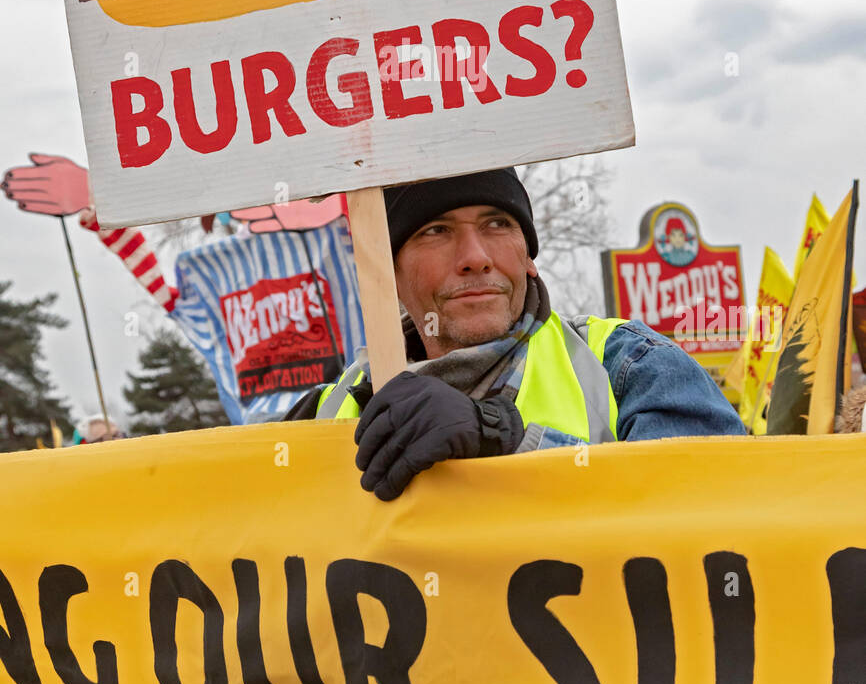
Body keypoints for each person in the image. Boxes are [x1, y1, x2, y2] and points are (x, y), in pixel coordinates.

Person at [285, 168, 746, 499]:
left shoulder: (631, 365)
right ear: (389, 276)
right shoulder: (327, 411)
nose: (475, 256)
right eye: (436, 230)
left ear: (528, 256)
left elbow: (719, 516)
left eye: (497, 224)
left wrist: (503, 439)